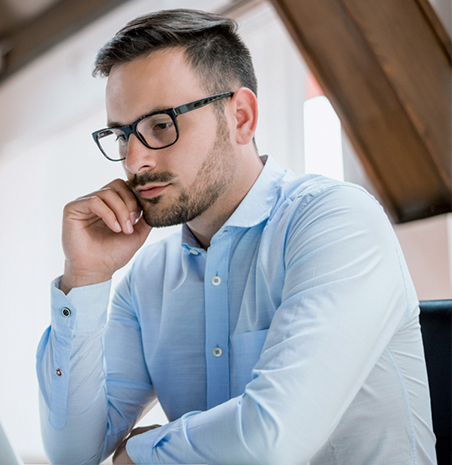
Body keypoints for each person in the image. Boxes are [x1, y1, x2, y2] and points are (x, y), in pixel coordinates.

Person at [35, 9, 436, 465]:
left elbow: (271, 440)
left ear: (241, 117)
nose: (134, 161)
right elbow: (72, 452)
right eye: (122, 135)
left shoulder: (337, 221)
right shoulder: (148, 277)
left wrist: (140, 454)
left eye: (160, 125)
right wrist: (84, 277)